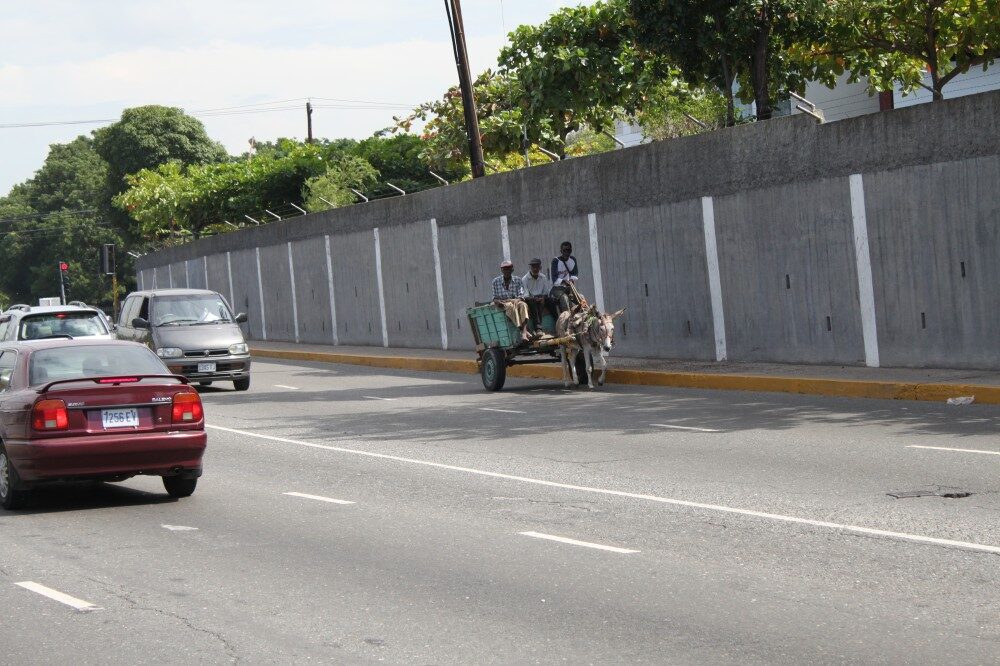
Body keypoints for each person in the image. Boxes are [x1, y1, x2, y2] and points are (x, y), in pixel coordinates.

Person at [491, 260, 531, 342]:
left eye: (509, 268)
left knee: (523, 305)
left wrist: (515, 300)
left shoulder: (518, 280)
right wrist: (497, 302)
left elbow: (521, 295)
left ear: (512, 270)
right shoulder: (495, 281)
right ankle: (524, 332)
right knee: (510, 306)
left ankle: (523, 332)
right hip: (504, 303)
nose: (507, 271)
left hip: (515, 301)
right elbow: (495, 297)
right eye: (505, 269)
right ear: (501, 270)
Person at [522, 258, 554, 333]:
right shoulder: (525, 279)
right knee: (534, 303)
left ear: (540, 268)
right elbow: (526, 295)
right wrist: (534, 299)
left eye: (537, 267)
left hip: (541, 297)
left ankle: (557, 321)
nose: (535, 269)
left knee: (552, 301)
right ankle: (538, 328)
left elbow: (546, 292)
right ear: (530, 268)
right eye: (533, 267)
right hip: (531, 299)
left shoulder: (543, 277)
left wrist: (543, 298)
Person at [550, 241, 580, 312]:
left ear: (571, 251)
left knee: (581, 298)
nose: (566, 252)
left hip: (569, 288)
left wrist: (571, 280)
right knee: (564, 299)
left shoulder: (573, 260)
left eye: (568, 250)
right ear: (561, 251)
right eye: (564, 250)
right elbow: (554, 279)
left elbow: (575, 273)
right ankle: (567, 318)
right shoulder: (555, 261)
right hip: (557, 288)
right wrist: (564, 281)